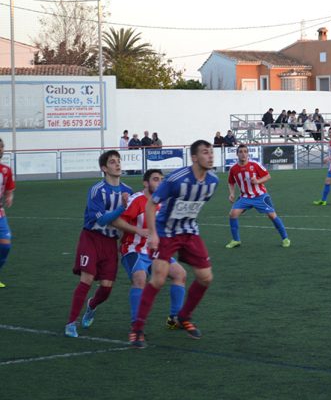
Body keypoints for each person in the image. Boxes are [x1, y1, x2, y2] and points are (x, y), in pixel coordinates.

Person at [128, 140, 219, 349]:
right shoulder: (177, 179)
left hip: (189, 231)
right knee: (158, 279)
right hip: (166, 231)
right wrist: (153, 234)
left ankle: (183, 317)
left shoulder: (213, 181)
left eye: (211, 152)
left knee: (206, 277)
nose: (211, 156)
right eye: (205, 153)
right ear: (194, 158)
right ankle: (137, 329)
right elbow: (152, 204)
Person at [65, 150, 133, 338]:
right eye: (112, 162)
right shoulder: (97, 190)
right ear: (104, 168)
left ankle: (92, 305)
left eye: (118, 161)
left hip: (111, 243)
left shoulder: (128, 191)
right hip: (91, 238)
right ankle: (71, 323)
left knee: (106, 288)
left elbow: (131, 219)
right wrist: (122, 207)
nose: (117, 164)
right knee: (86, 279)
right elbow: (102, 220)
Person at [119, 169, 187, 328]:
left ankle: (174, 318)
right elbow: (117, 221)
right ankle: (137, 325)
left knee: (180, 274)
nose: (160, 183)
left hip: (156, 251)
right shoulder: (136, 200)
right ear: (145, 183)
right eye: (156, 179)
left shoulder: (164, 202)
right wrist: (137, 231)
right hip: (133, 249)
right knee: (140, 278)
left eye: (162, 180)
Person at [225, 144, 290, 249]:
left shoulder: (254, 165)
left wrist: (258, 181)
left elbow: (268, 176)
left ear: (248, 153)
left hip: (260, 196)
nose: (243, 154)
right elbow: (231, 182)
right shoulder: (233, 168)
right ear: (237, 154)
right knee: (233, 214)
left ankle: (285, 238)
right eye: (241, 152)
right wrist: (232, 193)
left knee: (272, 216)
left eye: (245, 151)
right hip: (244, 197)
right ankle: (236, 240)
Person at [0, 138, 16, 288]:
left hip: (0, 213)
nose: (2, 150)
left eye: (2, 147)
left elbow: (9, 188)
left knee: (5, 245)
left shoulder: (5, 170)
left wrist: (9, 196)